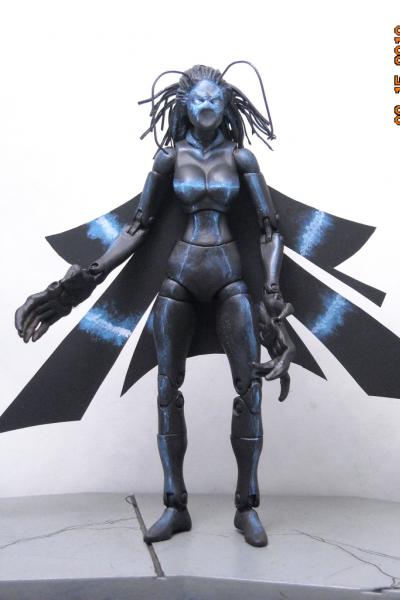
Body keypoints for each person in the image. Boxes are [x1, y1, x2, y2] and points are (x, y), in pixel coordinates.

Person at [15, 63, 295, 548]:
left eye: (215, 99)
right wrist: (85, 278)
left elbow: (270, 230)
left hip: (230, 276)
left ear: (227, 104)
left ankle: (246, 507)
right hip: (179, 274)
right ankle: (174, 505)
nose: (206, 106)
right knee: (167, 390)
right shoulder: (169, 158)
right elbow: (138, 226)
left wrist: (271, 290)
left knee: (249, 387)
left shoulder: (241, 158)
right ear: (184, 104)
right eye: (198, 98)